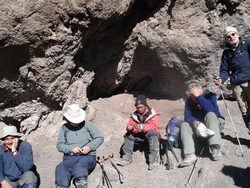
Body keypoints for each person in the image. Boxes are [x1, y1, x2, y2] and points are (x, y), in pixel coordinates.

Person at [55, 104, 104, 188]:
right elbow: (60, 145)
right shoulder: (64, 128)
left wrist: (89, 146)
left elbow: (99, 138)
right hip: (69, 157)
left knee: (81, 165)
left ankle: (81, 184)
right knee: (61, 167)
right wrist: (71, 148)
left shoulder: (88, 125)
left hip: (87, 156)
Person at [214, 26, 250, 134]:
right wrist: (221, 79)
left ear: (237, 35)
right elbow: (224, 70)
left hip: (249, 80)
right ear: (226, 39)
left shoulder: (246, 44)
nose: (231, 37)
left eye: (233, 34)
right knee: (244, 110)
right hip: (236, 84)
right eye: (228, 36)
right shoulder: (226, 53)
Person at [179, 83, 225, 167]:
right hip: (201, 128)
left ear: (201, 91)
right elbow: (187, 116)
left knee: (210, 114)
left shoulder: (210, 96)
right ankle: (189, 155)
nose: (193, 97)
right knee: (184, 124)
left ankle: (215, 148)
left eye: (195, 94)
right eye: (191, 95)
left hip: (215, 124)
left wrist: (199, 97)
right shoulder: (189, 102)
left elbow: (210, 109)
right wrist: (194, 122)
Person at [118, 94, 161, 171]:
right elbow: (130, 124)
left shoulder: (153, 114)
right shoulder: (135, 115)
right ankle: (127, 157)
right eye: (137, 108)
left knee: (153, 133)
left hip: (151, 136)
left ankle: (153, 160)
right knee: (128, 135)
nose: (139, 109)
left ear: (145, 106)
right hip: (140, 137)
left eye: (141, 107)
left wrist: (141, 127)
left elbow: (154, 126)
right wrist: (130, 128)